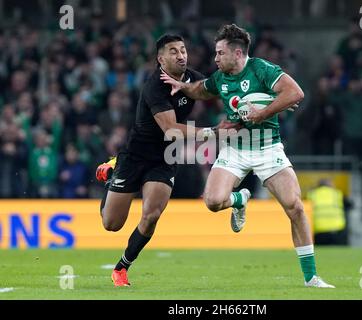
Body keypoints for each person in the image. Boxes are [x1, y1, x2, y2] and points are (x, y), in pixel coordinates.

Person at [161, 24, 335, 288]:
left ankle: (311, 277)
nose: (215, 58)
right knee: (212, 202)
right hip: (235, 148)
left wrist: (263, 112)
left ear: (238, 53)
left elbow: (295, 93)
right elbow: (202, 90)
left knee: (295, 207)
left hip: (268, 148)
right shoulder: (220, 78)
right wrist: (182, 86)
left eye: (220, 53)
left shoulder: (262, 69)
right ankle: (240, 198)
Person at [95, 34, 237, 286]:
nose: (181, 55)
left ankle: (121, 268)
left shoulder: (191, 78)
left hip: (164, 158)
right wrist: (213, 132)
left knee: (151, 215)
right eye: (173, 51)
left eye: (183, 50)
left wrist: (251, 101)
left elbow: (217, 89)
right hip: (135, 157)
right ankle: (112, 173)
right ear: (161, 59)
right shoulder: (154, 86)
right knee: (111, 224)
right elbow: (170, 128)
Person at [307, 178, 348, 245]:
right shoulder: (337, 194)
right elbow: (349, 204)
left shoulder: (312, 194)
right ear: (330, 185)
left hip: (319, 231)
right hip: (337, 230)